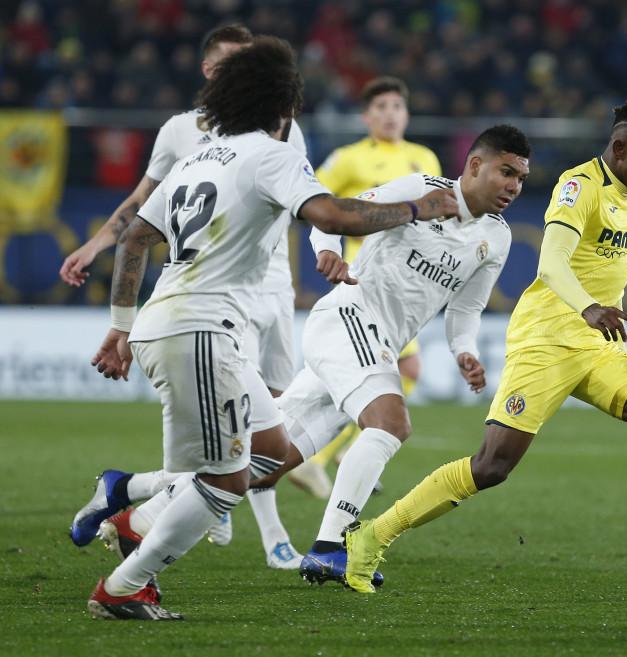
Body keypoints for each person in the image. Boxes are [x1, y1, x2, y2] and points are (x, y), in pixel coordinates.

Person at [85, 36, 457, 620]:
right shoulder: (272, 154)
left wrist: (118, 327)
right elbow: (332, 214)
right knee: (225, 481)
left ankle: (135, 512)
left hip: (175, 323)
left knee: (274, 449)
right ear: (284, 106)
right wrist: (418, 209)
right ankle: (126, 584)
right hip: (202, 330)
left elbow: (135, 237)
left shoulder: (197, 157)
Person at [342, 99, 627, 594]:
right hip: (544, 340)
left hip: (597, 346)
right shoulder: (579, 186)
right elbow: (551, 262)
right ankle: (370, 536)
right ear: (620, 147)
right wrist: (588, 306)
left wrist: (594, 317)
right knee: (491, 467)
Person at [244, 125, 530, 587]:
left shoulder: (496, 237)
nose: (515, 186)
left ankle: (137, 497)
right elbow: (335, 212)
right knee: (391, 423)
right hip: (348, 317)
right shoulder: (421, 190)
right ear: (475, 165)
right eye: (507, 172)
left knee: (260, 463)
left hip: (373, 345)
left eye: (521, 177)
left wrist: (464, 351)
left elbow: (466, 308)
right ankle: (329, 548)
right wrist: (328, 252)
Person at [66, 25, 303, 568]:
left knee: (268, 441)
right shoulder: (180, 134)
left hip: (266, 289)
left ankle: (133, 493)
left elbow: (304, 196)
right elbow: (143, 205)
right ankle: (235, 536)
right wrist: (101, 241)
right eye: (227, 66)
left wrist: (324, 247)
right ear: (208, 71)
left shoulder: (280, 132)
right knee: (234, 451)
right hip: (202, 300)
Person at [291, 76, 442, 498]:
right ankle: (324, 457)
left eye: (397, 106)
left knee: (388, 372)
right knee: (397, 371)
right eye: (381, 107)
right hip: (364, 277)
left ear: (407, 114)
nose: (390, 114)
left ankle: (331, 454)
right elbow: (312, 196)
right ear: (366, 116)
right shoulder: (349, 158)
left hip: (405, 280)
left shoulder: (423, 156)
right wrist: (329, 245)